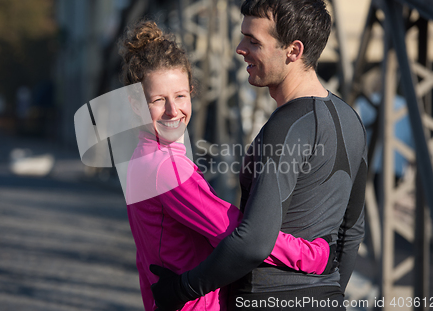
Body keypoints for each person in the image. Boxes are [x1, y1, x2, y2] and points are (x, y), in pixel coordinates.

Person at [150, 0, 367, 311]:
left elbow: (254, 241)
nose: (239, 49)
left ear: (293, 51)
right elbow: (352, 232)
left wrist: (182, 288)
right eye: (242, 37)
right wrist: (326, 294)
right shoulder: (351, 120)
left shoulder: (286, 127)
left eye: (254, 42)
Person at [120, 20, 336, 311]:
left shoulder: (140, 155)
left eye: (181, 96)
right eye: (159, 100)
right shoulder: (164, 168)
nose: (173, 111)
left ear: (192, 91)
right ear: (136, 104)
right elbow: (236, 231)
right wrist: (313, 256)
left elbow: (148, 253)